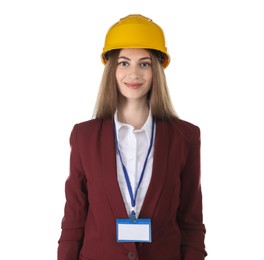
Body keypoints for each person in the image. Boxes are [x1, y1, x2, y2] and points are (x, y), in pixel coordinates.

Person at [58, 14, 207, 260]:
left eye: (144, 64)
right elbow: (74, 219)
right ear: (112, 69)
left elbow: (191, 222)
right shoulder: (84, 136)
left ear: (156, 70)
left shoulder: (185, 137)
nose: (134, 74)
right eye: (124, 63)